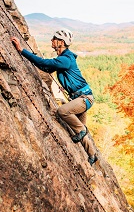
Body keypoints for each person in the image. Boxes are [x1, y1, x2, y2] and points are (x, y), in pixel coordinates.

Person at [11, 29, 98, 166]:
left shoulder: (65, 59)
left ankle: (83, 132)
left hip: (84, 99)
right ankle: (92, 155)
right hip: (80, 98)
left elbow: (45, 63)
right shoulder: (63, 59)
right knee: (79, 129)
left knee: (63, 112)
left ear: (61, 42)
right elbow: (46, 67)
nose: (51, 40)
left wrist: (22, 50)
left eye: (54, 38)